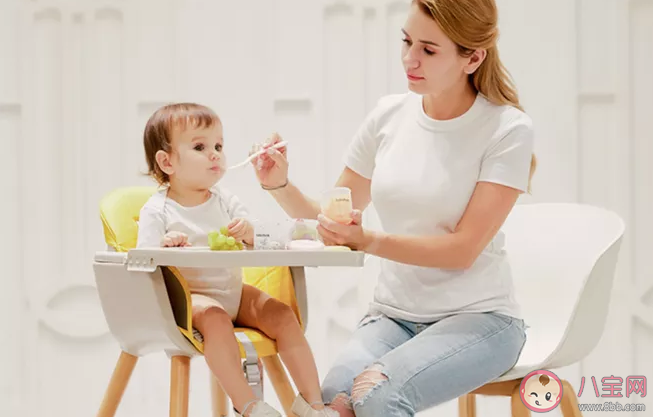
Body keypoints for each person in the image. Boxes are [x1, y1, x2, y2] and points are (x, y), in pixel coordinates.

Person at [250, 0, 535, 415]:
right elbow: (332, 216)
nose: (409, 59)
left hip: (481, 321)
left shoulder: (506, 129)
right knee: (328, 403)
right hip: (392, 318)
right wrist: (278, 183)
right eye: (406, 42)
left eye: (428, 50)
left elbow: (462, 250)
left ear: (472, 58)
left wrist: (368, 240)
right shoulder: (388, 116)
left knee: (377, 394)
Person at [136, 103, 338, 417]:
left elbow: (258, 237)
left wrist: (248, 231)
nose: (215, 153)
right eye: (200, 147)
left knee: (283, 316)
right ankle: (249, 404)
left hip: (233, 292)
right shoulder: (158, 210)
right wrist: (165, 243)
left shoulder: (226, 201)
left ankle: (312, 404)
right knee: (216, 319)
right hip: (191, 301)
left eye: (218, 145)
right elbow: (145, 260)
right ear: (167, 161)